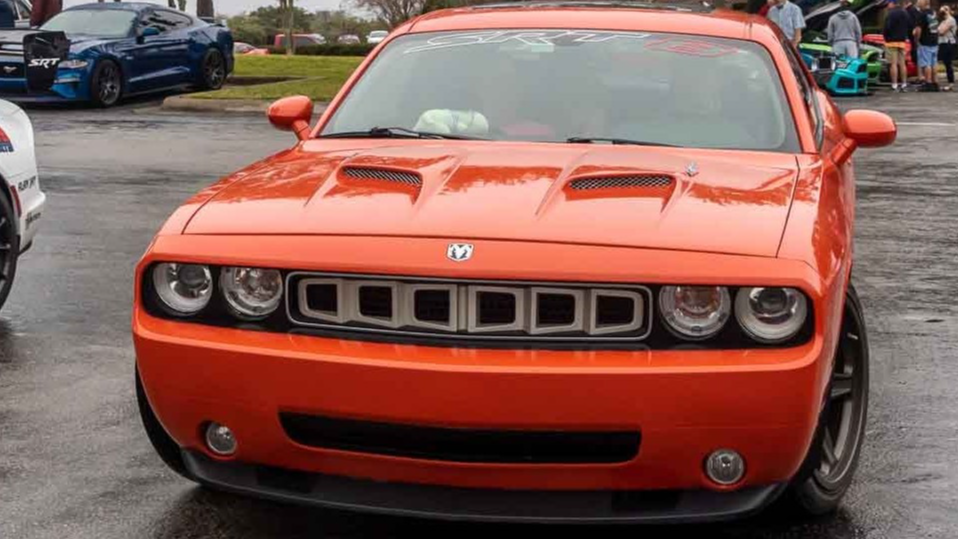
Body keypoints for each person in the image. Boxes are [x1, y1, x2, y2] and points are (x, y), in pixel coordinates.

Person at [884, 0, 914, 91]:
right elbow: (910, 26)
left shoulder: (890, 14)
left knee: (893, 64)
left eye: (888, 4)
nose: (887, 6)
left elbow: (887, 27)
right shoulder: (905, 13)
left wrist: (886, 37)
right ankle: (904, 83)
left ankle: (894, 84)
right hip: (902, 41)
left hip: (891, 41)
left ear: (892, 3)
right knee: (902, 64)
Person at [916, 0, 940, 91]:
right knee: (934, 63)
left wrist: (917, 40)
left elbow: (918, 29)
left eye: (919, 1)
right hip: (934, 40)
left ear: (924, 3)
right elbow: (935, 27)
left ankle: (928, 83)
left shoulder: (922, 14)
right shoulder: (933, 13)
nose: (918, 3)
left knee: (926, 64)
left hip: (925, 41)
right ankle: (935, 82)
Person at [939, 6, 957, 91]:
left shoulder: (951, 20)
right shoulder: (943, 21)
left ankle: (951, 83)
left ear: (949, 11)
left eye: (945, 9)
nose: (943, 11)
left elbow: (941, 32)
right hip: (942, 43)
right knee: (946, 63)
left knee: (948, 63)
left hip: (948, 43)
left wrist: (938, 30)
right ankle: (949, 83)